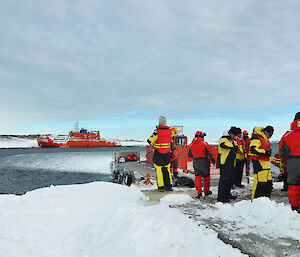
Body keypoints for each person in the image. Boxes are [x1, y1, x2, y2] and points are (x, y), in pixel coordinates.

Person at [278, 112, 300, 212]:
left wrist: (284, 160)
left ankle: (295, 208)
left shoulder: (287, 135)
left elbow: (281, 152)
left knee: (293, 186)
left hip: (292, 163)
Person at [147, 116, 175, 191]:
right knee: (167, 170)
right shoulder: (171, 132)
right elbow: (172, 138)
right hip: (167, 154)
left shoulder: (156, 132)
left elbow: (149, 140)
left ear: (159, 123)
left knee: (159, 170)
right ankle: (169, 186)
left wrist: (154, 145)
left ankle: (161, 186)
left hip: (158, 154)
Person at [249, 126, 274, 200]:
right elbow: (253, 149)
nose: (270, 136)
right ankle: (255, 201)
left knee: (268, 185)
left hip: (266, 166)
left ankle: (265, 201)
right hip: (260, 165)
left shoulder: (265, 140)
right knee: (259, 184)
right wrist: (265, 152)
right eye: (269, 134)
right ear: (265, 132)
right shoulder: (257, 138)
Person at [188, 131, 215, 199]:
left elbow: (189, 154)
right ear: (202, 136)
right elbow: (209, 153)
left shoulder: (191, 144)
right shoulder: (204, 144)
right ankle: (206, 192)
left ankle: (198, 193)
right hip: (204, 161)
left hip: (196, 161)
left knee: (197, 177)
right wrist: (213, 160)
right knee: (206, 177)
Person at [217, 127, 239, 203]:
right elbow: (225, 145)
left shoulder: (232, 140)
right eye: (234, 135)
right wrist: (233, 145)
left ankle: (227, 194)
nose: (235, 137)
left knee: (230, 179)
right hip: (224, 162)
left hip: (231, 163)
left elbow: (236, 147)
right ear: (231, 133)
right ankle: (221, 197)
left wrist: (234, 145)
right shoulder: (223, 139)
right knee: (224, 180)